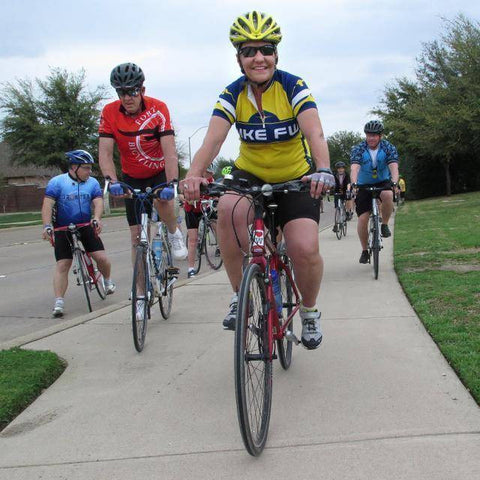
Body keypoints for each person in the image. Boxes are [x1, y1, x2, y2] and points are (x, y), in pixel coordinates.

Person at [181, 11, 334, 350]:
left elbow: (314, 131)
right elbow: (213, 141)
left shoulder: (293, 86)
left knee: (304, 247)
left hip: (296, 176)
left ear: (276, 54)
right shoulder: (232, 93)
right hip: (249, 174)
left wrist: (322, 167)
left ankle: (309, 311)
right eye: (249, 51)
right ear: (239, 58)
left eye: (265, 49)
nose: (258, 57)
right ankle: (241, 297)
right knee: (228, 210)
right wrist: (193, 175)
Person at [98, 62, 187, 265]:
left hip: (158, 172)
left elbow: (170, 151)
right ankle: (140, 293)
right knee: (136, 237)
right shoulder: (109, 112)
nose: (128, 98)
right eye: (122, 92)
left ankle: (173, 232)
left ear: (142, 90)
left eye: (133, 91)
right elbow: (104, 152)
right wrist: (112, 181)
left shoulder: (158, 108)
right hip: (132, 176)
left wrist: (172, 182)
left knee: (162, 201)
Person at [41, 150, 116, 317]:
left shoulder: (92, 183)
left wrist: (96, 218)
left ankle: (108, 280)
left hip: (85, 225)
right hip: (62, 228)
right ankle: (59, 302)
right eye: (86, 168)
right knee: (63, 264)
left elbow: (98, 202)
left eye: (90, 168)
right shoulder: (57, 182)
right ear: (74, 167)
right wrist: (47, 226)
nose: (89, 171)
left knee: (102, 258)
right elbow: (47, 205)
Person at [350, 120, 399, 264]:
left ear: (380, 136)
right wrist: (353, 183)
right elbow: (354, 168)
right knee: (363, 218)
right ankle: (365, 250)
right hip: (363, 184)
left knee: (388, 194)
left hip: (382, 181)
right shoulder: (359, 148)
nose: (371, 138)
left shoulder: (388, 147)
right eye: (368, 135)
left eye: (374, 136)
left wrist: (394, 182)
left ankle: (384, 224)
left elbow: (394, 167)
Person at [183, 168, 216, 278]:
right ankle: (191, 268)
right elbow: (184, 195)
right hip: (192, 210)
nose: (209, 174)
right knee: (193, 240)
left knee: (218, 226)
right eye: (208, 172)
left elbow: (217, 195)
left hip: (206, 207)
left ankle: (220, 248)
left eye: (211, 173)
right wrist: (188, 199)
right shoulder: (193, 178)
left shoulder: (211, 180)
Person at [332, 161, 353, 232]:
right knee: (337, 208)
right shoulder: (334, 175)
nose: (340, 170)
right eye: (339, 168)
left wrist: (348, 190)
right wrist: (329, 190)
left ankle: (348, 212)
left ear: (344, 169)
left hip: (345, 190)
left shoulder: (346, 175)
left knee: (348, 198)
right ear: (337, 169)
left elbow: (348, 183)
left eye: (342, 168)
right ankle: (335, 224)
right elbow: (332, 183)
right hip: (337, 190)